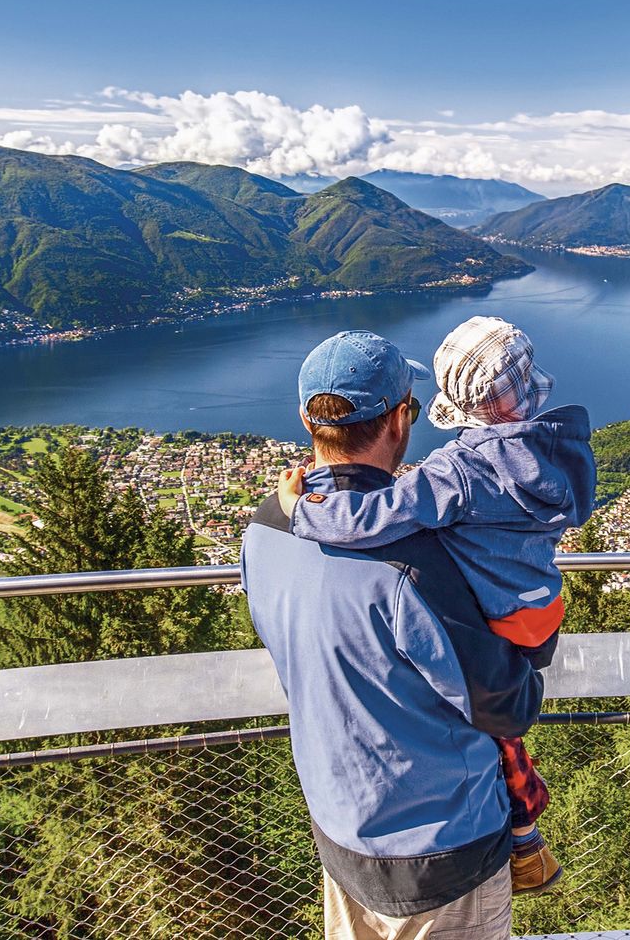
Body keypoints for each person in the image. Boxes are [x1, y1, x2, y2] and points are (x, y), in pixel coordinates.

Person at [242, 328, 546, 939]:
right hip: (443, 850)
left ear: (309, 421)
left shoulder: (265, 531)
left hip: (340, 829)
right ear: (402, 419)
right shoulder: (417, 560)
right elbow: (503, 702)